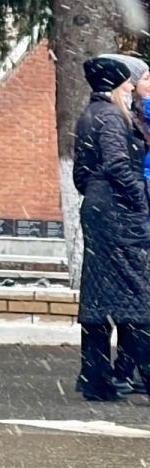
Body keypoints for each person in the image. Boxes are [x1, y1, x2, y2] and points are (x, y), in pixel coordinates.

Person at [74, 54, 150, 402]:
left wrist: (96, 195)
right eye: (127, 83)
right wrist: (140, 198)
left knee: (100, 300)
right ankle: (138, 374)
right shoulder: (110, 117)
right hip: (120, 217)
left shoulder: (91, 115)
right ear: (114, 86)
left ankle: (96, 377)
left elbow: (79, 175)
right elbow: (119, 164)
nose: (132, 87)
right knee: (137, 298)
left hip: (99, 213)